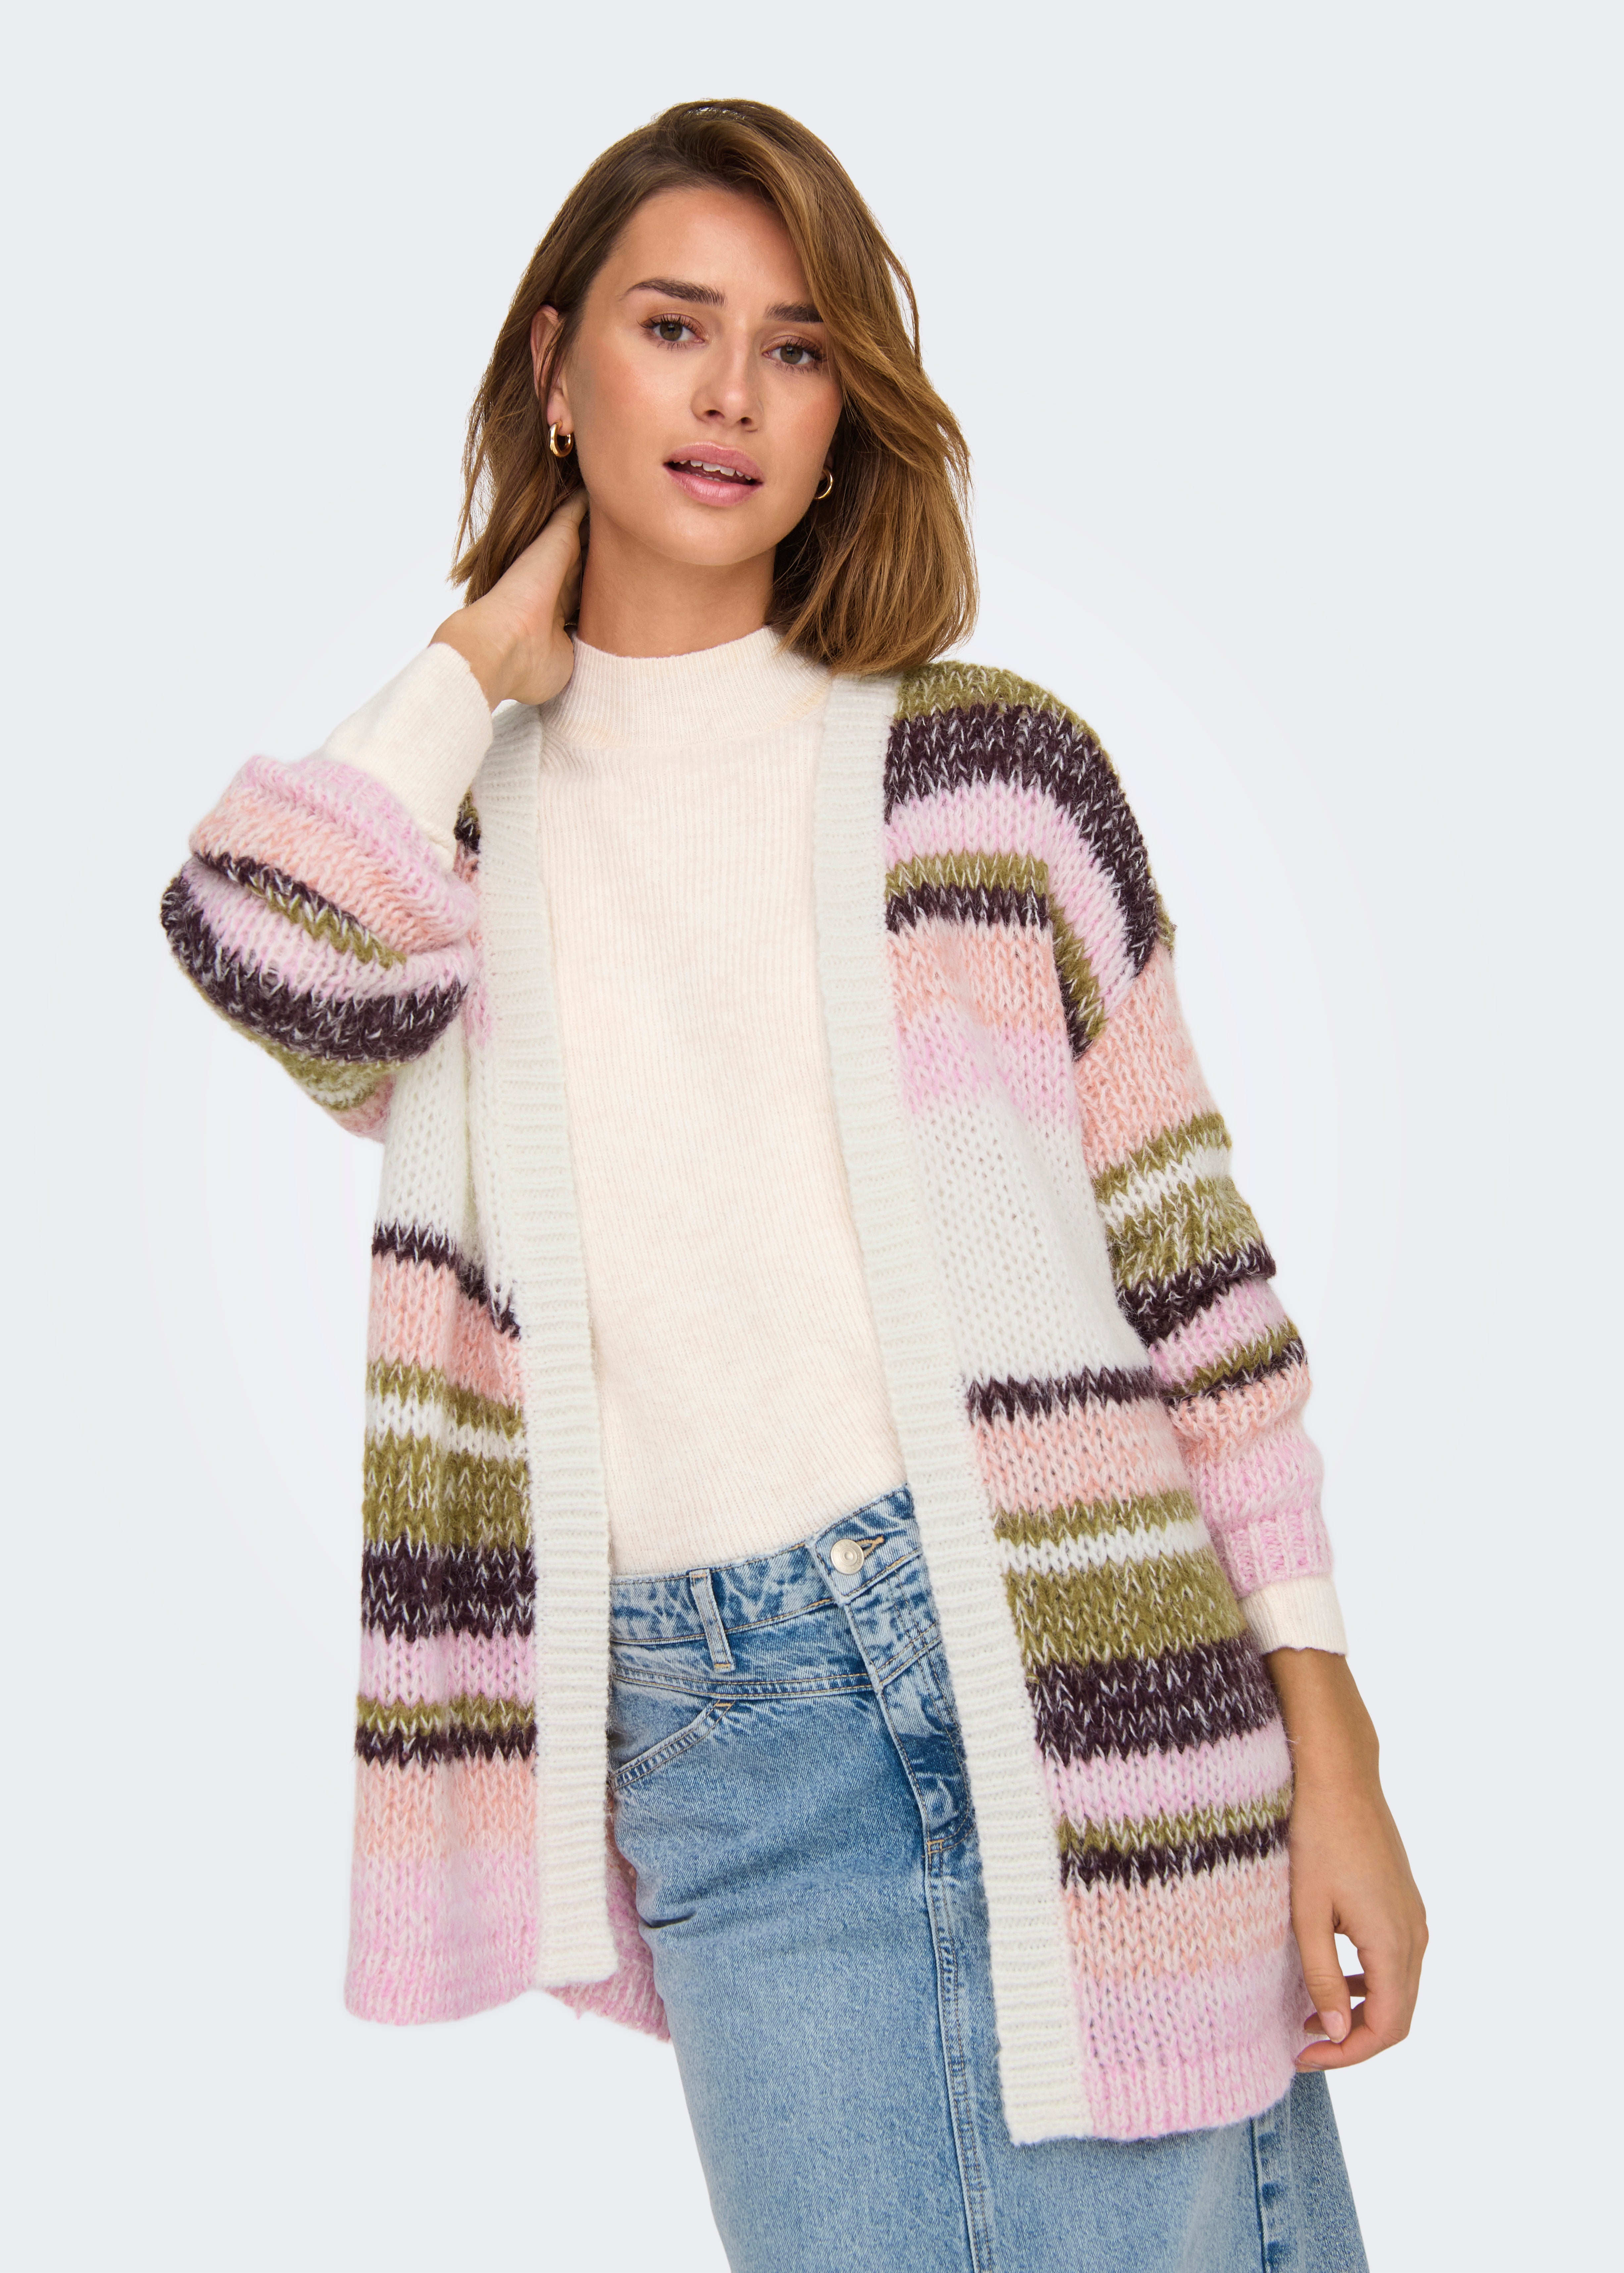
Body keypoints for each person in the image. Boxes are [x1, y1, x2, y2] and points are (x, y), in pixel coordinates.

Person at [161, 97, 1425, 2273]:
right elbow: (254, 944)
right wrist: (477, 659)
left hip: (1098, 1684)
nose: (735, 394)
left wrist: (1341, 1755)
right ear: (559, 369)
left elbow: (1201, 1298)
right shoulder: (444, 845)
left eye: (800, 347)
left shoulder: (996, 775)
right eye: (674, 328)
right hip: (727, 1741)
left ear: (849, 413)